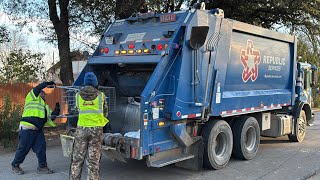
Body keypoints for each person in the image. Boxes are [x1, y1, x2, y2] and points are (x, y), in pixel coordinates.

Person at [11, 81, 60, 175]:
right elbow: (37, 88)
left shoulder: (45, 107)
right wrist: (46, 83)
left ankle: (42, 167)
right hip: (27, 128)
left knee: (41, 148)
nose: (43, 94)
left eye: (44, 93)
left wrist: (56, 110)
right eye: (42, 92)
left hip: (38, 130)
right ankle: (15, 165)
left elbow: (51, 119)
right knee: (23, 149)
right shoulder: (31, 97)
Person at [69, 72, 109, 180]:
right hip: (96, 131)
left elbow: (77, 110)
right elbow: (105, 113)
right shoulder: (101, 96)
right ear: (95, 83)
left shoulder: (77, 95)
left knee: (77, 159)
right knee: (93, 162)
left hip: (81, 129)